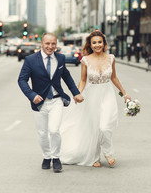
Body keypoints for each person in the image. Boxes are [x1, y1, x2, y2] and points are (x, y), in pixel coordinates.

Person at [60, 30, 131, 167]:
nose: (97, 45)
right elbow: (82, 81)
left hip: (107, 94)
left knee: (105, 126)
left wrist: (124, 94)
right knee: (94, 127)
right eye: (94, 43)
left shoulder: (111, 58)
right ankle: (94, 157)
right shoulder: (85, 60)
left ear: (104, 43)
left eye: (100, 42)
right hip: (91, 96)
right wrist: (77, 93)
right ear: (90, 45)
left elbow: (114, 78)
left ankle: (108, 153)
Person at [18, 33, 84, 173]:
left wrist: (75, 92)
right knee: (42, 133)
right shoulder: (30, 60)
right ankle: (46, 157)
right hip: (39, 102)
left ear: (56, 44)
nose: (50, 46)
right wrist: (31, 95)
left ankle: (56, 158)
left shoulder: (60, 58)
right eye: (47, 43)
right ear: (41, 44)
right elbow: (22, 80)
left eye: (53, 43)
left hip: (56, 100)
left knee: (54, 130)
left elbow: (66, 76)